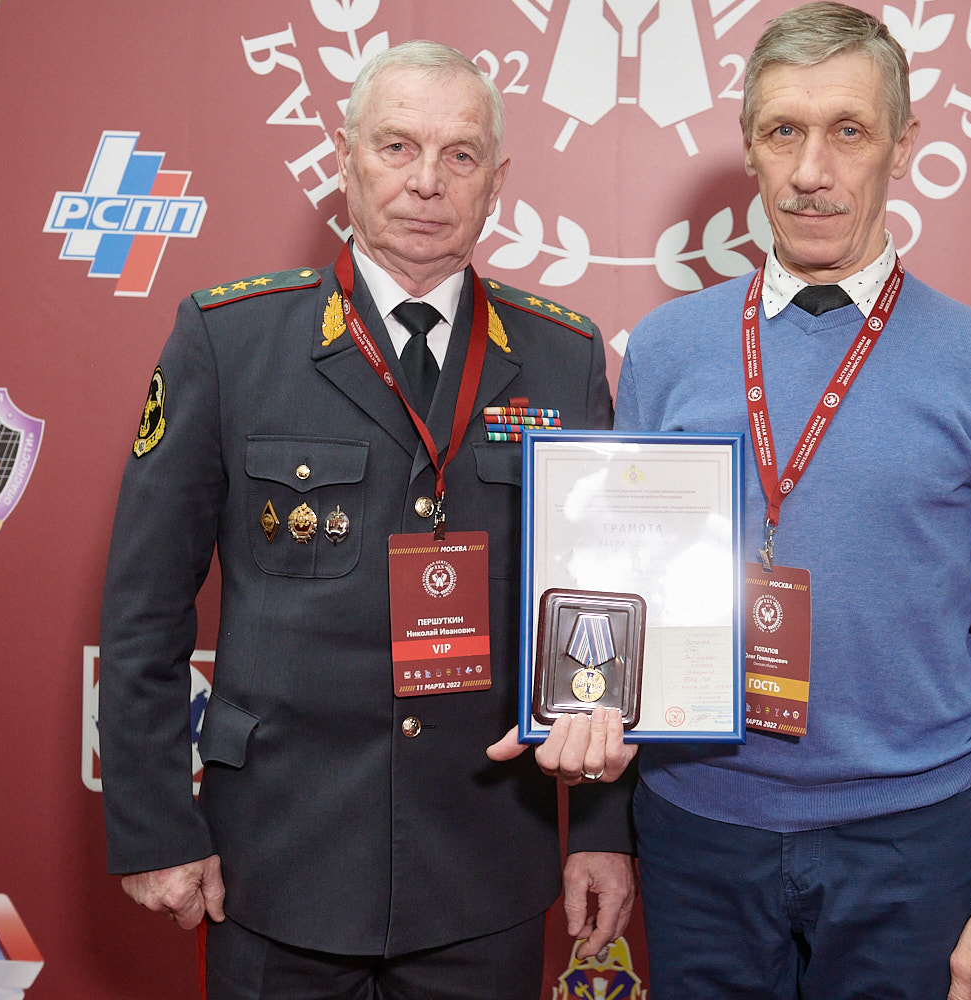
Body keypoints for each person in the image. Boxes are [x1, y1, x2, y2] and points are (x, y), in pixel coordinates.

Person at [100, 40, 634, 1000]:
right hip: (277, 862)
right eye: (397, 147)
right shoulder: (228, 340)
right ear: (344, 161)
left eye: (461, 154)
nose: (427, 181)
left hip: (483, 866)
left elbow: (600, 610)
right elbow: (145, 607)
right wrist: (154, 826)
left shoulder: (563, 356)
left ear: (497, 181)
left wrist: (600, 829)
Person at [611, 4, 971, 997]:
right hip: (697, 828)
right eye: (783, 131)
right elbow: (622, 603)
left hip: (914, 841)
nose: (811, 171)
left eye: (849, 131)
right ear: (749, 147)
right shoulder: (665, 350)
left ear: (903, 146)